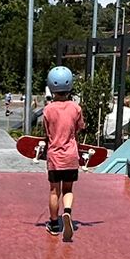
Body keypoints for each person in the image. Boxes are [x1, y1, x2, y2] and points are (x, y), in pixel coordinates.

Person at [37, 65, 86, 241]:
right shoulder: (76, 108)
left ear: (51, 86)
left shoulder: (48, 110)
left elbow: (46, 132)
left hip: (55, 157)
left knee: (53, 191)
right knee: (68, 189)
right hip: (71, 157)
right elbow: (80, 128)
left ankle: (54, 224)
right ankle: (67, 212)